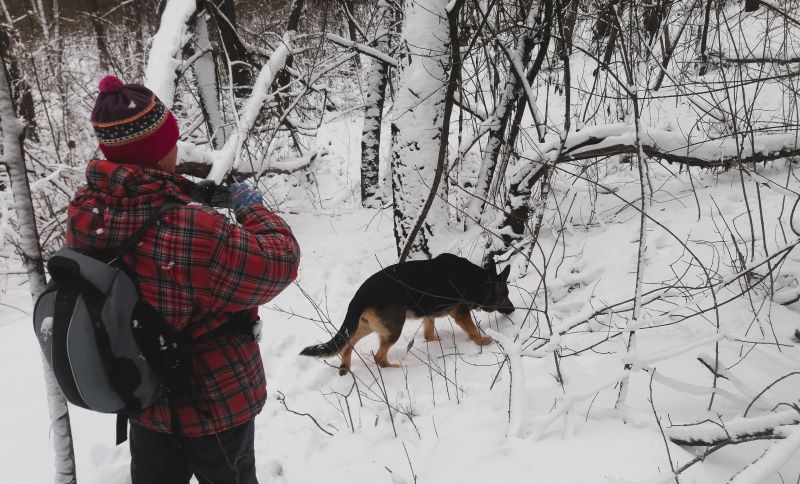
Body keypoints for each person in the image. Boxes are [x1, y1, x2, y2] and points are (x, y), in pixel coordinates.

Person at [66, 75, 300, 484]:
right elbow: (280, 263)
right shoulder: (191, 229)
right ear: (159, 152)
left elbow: (138, 202)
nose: (177, 149)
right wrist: (251, 208)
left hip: (142, 395)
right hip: (214, 403)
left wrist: (187, 192)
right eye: (170, 142)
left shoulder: (85, 213)